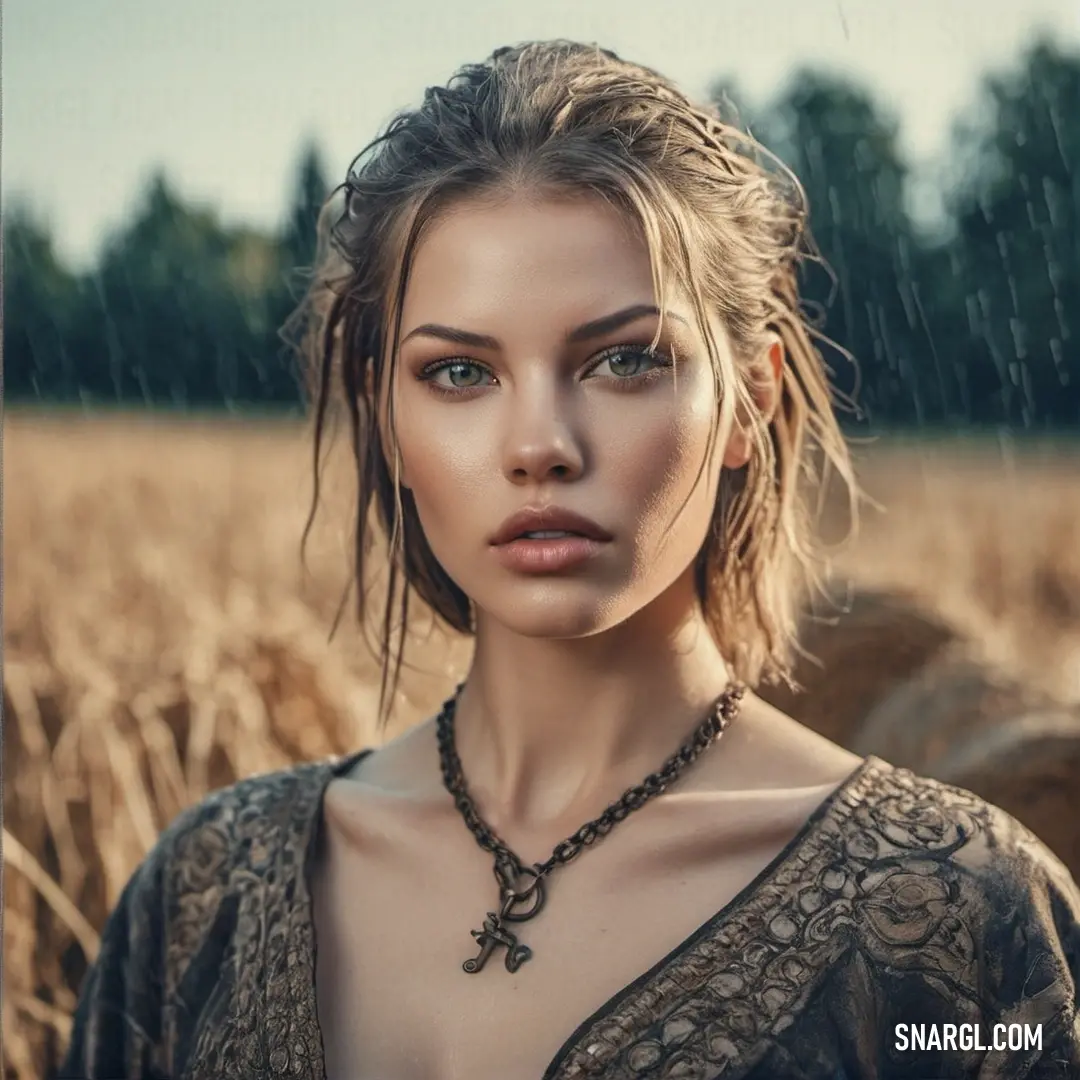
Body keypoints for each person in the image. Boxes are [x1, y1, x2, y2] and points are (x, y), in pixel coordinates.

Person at [61, 40, 1079, 1080]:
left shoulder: (966, 931)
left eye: (624, 359)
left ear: (751, 396)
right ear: (385, 417)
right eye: (460, 371)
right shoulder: (200, 904)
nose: (538, 443)